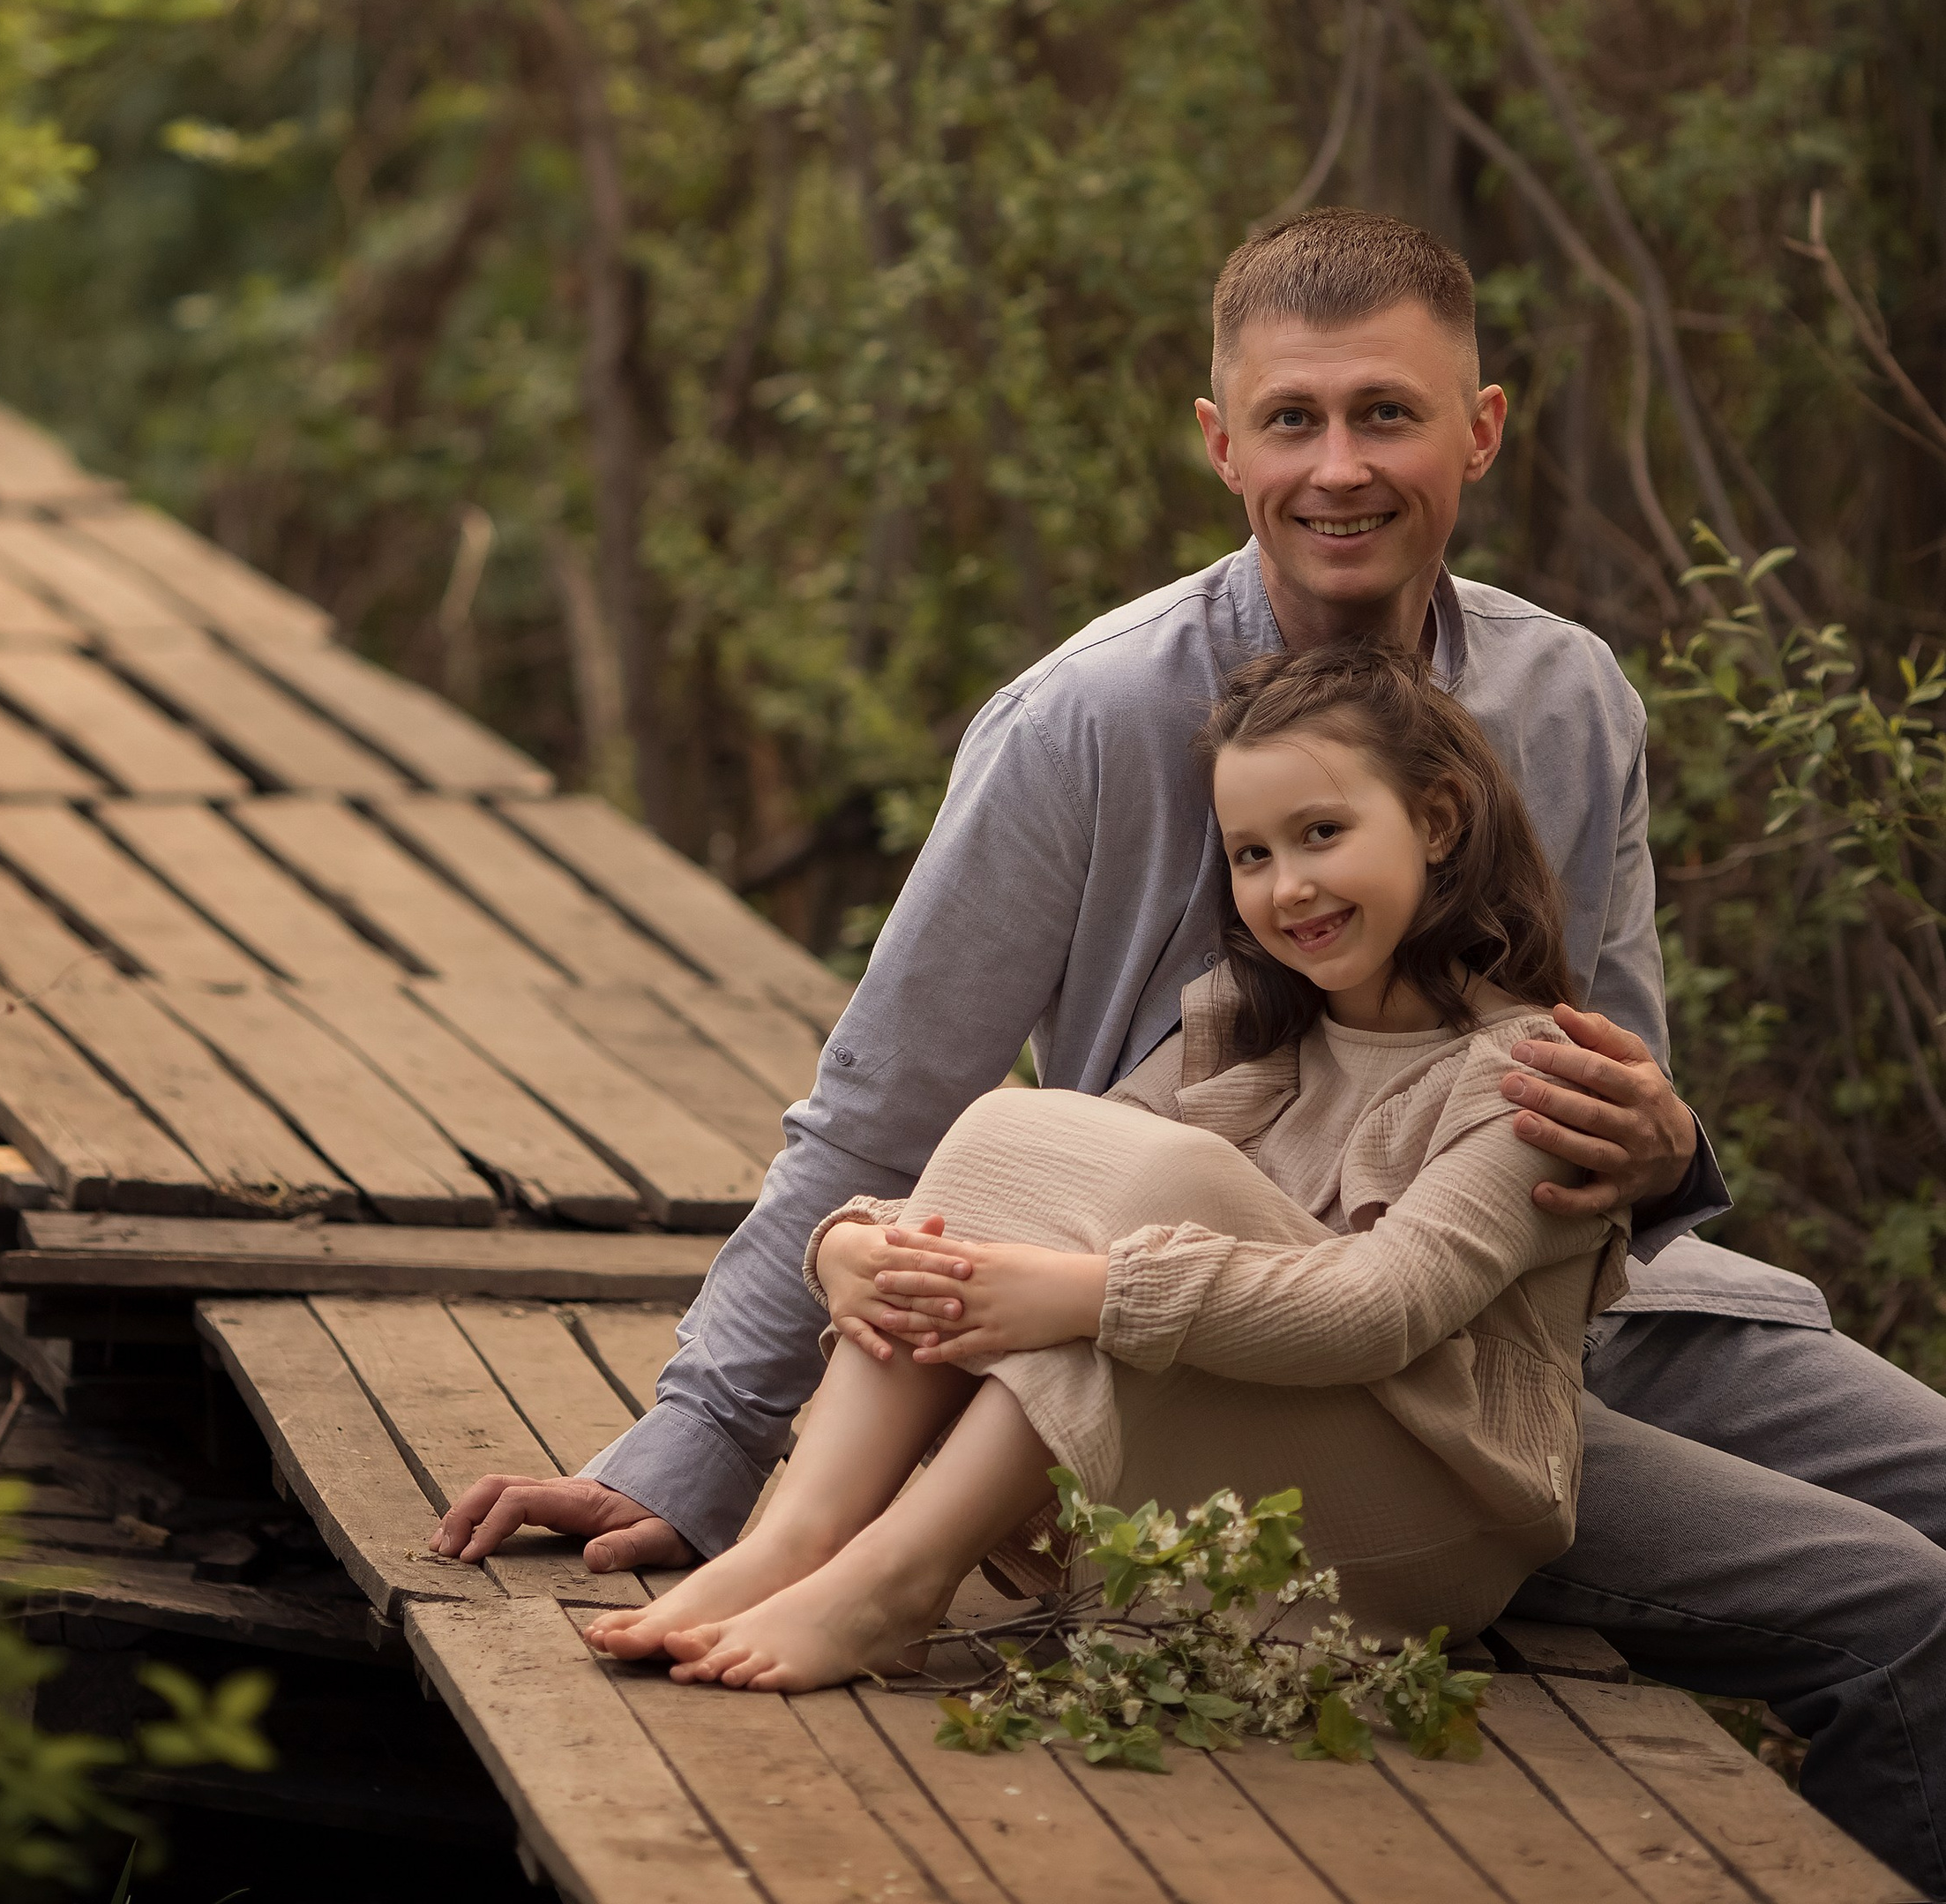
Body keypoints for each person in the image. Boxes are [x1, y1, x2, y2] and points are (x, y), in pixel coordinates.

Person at [436, 209, 1946, 1891]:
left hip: (1574, 1302)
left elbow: (1616, 1096)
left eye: (1389, 413)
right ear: (1223, 443)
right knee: (1912, 1620)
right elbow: (888, 1117)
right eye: (1294, 420)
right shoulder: (1089, 721)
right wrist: (702, 1446)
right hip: (1245, 1354)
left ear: (1482, 430)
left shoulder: (1564, 697)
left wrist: (1660, 1144)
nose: (1341, 468)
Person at [584, 639, 1628, 1690]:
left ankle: (896, 1580)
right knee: (1021, 1141)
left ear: (1438, 820)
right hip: (1230, 1487)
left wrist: (1089, 1295)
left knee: (1125, 1247)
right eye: (1253, 854)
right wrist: (849, 1245)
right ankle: (800, 1545)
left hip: (1420, 1525)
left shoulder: (1532, 1079)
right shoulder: (1246, 1027)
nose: (1288, 886)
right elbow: (1041, 1189)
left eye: (1322, 833)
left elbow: (1381, 1307)